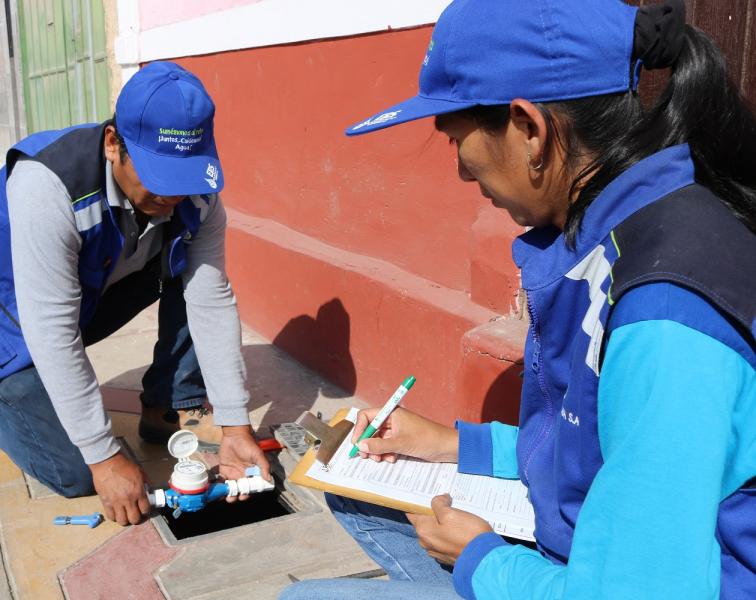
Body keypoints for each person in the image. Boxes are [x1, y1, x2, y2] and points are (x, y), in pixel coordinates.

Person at [281, 0, 755, 598]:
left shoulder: (664, 314)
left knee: (303, 597)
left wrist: (482, 560)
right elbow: (596, 442)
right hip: (587, 548)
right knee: (357, 494)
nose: (460, 171)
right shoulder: (609, 232)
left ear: (530, 129)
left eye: (457, 141)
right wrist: (454, 443)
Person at [0, 61, 270, 526]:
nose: (172, 196)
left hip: (79, 291)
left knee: (187, 265)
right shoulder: (49, 183)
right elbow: (51, 329)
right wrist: (103, 456)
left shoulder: (197, 194)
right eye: (158, 176)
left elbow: (209, 297)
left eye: (182, 176)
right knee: (74, 471)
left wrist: (235, 424)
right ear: (113, 144)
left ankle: (171, 401)